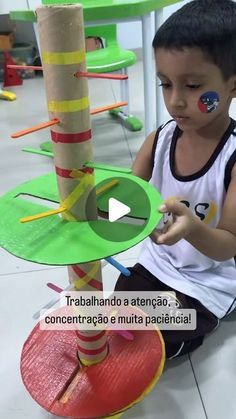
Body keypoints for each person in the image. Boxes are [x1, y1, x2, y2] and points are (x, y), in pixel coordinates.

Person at [115, 0, 236, 359]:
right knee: (120, 303)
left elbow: (228, 245)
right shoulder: (160, 139)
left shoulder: (232, 157)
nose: (175, 101)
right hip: (159, 263)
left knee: (162, 335)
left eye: (194, 86)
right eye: (165, 85)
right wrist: (101, 206)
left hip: (209, 279)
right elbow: (126, 202)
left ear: (232, 86)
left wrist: (192, 228)